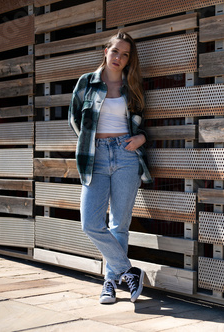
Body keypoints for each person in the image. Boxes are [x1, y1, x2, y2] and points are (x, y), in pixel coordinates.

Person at [68, 31, 152, 304]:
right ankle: (129, 270)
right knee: (90, 223)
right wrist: (91, 143)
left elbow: (140, 124)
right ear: (106, 51)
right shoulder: (86, 82)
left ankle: (110, 284)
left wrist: (142, 138)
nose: (119, 58)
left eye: (125, 54)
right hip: (96, 156)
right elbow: (74, 120)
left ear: (129, 60)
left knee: (120, 224)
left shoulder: (133, 86)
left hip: (126, 155)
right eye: (115, 51)